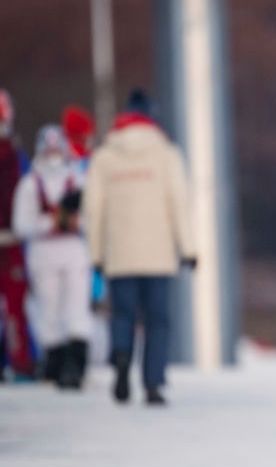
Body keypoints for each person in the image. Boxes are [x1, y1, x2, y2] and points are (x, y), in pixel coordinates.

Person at [84, 88, 196, 406]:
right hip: (158, 254)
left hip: (119, 254)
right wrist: (188, 248)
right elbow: (179, 203)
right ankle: (152, 384)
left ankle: (121, 357)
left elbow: (94, 209)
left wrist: (95, 253)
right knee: (157, 320)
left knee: (122, 315)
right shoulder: (166, 154)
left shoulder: (105, 156)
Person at [12, 125, 90, 389]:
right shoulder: (30, 184)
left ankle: (77, 362)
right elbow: (21, 225)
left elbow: (92, 217)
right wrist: (50, 223)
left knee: (76, 306)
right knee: (49, 308)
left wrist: (75, 222)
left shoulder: (78, 179)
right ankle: (55, 363)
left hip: (73, 250)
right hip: (43, 251)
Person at [0, 89, 35, 381]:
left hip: (12, 240)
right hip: (12, 239)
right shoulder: (15, 154)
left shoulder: (15, 155)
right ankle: (20, 361)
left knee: (15, 307)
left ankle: (20, 361)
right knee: (14, 308)